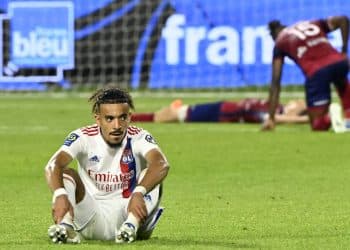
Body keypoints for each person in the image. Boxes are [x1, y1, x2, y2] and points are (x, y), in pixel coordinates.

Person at [45, 87, 170, 244]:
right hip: (90, 218)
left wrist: (139, 192)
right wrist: (59, 194)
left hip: (130, 212)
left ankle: (130, 227)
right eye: (109, 119)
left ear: (129, 117)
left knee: (151, 174)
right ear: (98, 119)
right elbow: (53, 165)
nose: (117, 125)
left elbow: (161, 164)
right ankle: (66, 227)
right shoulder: (82, 137)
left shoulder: (140, 137)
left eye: (122, 118)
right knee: (66, 174)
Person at [262, 15, 350, 131]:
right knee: (340, 79)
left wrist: (271, 118)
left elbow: (275, 81)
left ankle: (329, 118)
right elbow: (343, 19)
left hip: (317, 72)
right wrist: (343, 51)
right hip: (341, 63)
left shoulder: (280, 42)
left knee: (317, 125)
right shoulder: (312, 23)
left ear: (274, 37)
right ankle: (348, 117)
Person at [131, 98, 309, 124]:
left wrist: (304, 120)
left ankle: (128, 118)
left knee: (167, 115)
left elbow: (276, 119)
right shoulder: (279, 105)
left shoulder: (275, 114)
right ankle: (126, 117)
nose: (299, 101)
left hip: (222, 113)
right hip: (224, 106)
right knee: (169, 113)